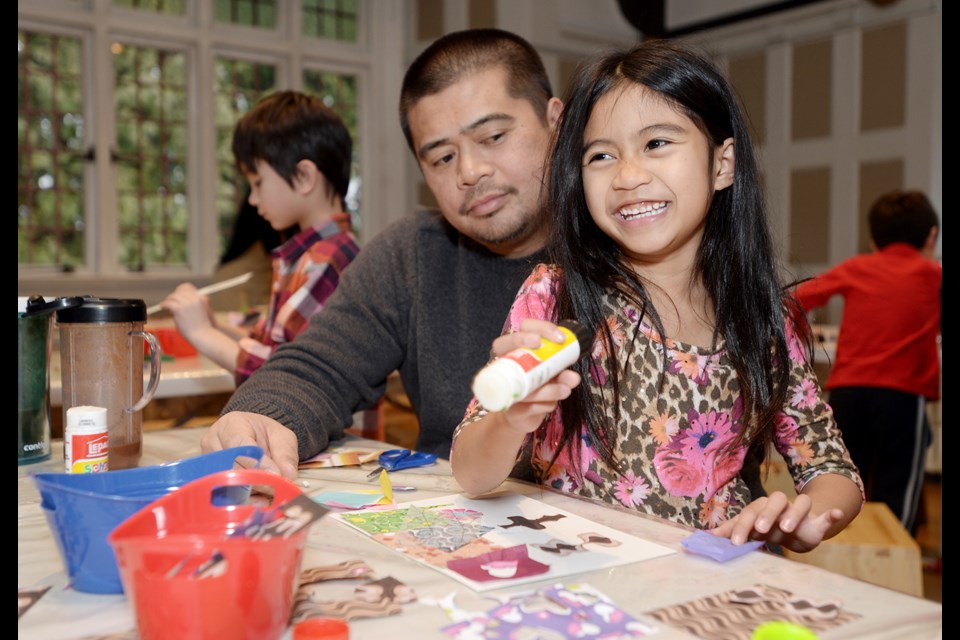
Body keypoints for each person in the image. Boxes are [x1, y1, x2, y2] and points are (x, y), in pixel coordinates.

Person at [450, 40, 864, 553]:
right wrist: (511, 418)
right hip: (580, 584)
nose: (627, 176)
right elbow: (471, 472)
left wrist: (805, 518)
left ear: (723, 165)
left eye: (656, 144)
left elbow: (831, 468)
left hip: (706, 585)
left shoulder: (765, 319)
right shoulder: (555, 296)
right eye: (601, 155)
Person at [199, 28, 563, 478]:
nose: (470, 171)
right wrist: (260, 416)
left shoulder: (629, 240)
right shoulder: (411, 253)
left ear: (555, 121)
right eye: (442, 159)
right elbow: (317, 365)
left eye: (492, 136)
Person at [161, 90, 360, 385]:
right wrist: (213, 323)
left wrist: (202, 333)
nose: (253, 199)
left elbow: (285, 375)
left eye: (258, 182)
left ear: (304, 177)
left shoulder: (327, 260)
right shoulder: (308, 256)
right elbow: (273, 347)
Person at [794, 190, 941, 534]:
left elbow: (797, 298)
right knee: (897, 489)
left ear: (874, 237)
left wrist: (796, 348)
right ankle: (892, 557)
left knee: (843, 481)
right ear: (931, 235)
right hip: (902, 397)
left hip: (849, 392)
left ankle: (838, 553)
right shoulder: (932, 274)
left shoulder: (857, 267)